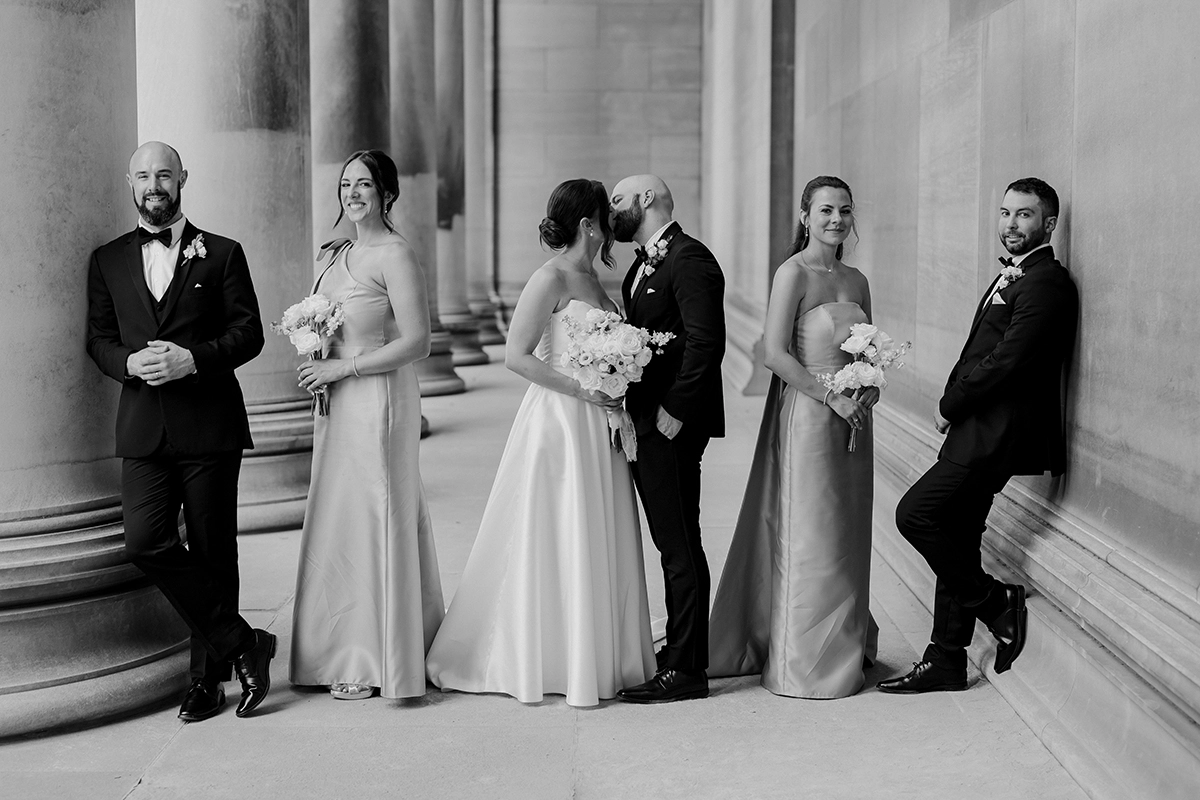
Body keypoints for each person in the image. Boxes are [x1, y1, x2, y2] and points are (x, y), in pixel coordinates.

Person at [425, 178, 655, 707]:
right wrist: (582, 388)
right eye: (605, 216)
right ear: (587, 224)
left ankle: (597, 652)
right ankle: (545, 653)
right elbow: (517, 355)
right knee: (555, 530)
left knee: (595, 531)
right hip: (560, 423)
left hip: (601, 426)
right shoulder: (549, 277)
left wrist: (615, 386)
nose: (611, 227)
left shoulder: (598, 279)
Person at [86, 141, 274, 722]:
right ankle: (244, 643)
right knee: (145, 542)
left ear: (182, 179)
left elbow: (249, 334)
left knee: (215, 553)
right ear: (129, 181)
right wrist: (126, 364)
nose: (154, 185)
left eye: (163, 175)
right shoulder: (108, 259)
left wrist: (192, 359)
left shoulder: (222, 253)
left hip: (210, 425)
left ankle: (205, 682)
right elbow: (98, 340)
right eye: (143, 175)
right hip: (143, 427)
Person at [879, 177, 1078, 694]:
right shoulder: (1015, 276)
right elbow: (977, 349)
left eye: (1025, 215)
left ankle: (995, 603)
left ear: (1048, 224)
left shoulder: (1047, 283)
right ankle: (946, 658)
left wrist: (951, 402)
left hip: (999, 433)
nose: (1011, 224)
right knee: (958, 532)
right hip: (978, 428)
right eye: (1006, 213)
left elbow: (1008, 361)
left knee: (916, 514)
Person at [708, 176, 880, 698]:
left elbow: (868, 346)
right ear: (805, 216)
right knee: (812, 535)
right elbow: (774, 353)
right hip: (808, 417)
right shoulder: (793, 273)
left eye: (845, 210)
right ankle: (801, 663)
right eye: (826, 209)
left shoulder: (857, 279)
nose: (836, 219)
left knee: (849, 534)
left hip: (855, 421)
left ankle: (847, 645)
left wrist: (871, 381)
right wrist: (832, 396)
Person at [289, 150, 444, 701]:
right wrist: (315, 354)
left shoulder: (394, 254)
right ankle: (335, 647)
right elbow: (326, 321)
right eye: (346, 184)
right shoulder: (336, 254)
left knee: (376, 510)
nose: (353, 193)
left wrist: (343, 366)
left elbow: (417, 342)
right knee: (340, 512)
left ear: (386, 193)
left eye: (365, 184)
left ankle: (378, 656)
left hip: (378, 399)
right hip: (338, 399)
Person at [609, 175, 726, 704]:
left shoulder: (690, 257)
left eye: (618, 199)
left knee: (678, 544)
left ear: (647, 200)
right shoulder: (642, 262)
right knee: (671, 541)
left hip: (671, 425)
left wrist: (676, 410)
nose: (612, 209)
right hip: (647, 421)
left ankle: (685, 670)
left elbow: (706, 341)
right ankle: (683, 651)